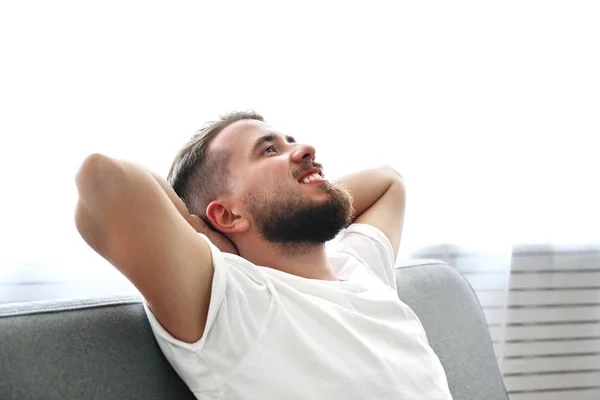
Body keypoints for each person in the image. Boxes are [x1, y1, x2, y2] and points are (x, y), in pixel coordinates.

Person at [74, 111, 452, 399]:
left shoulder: (361, 271)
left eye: (291, 142)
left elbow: (389, 182)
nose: (305, 150)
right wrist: (206, 236)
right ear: (227, 214)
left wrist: (307, 190)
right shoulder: (234, 300)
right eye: (269, 150)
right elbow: (102, 178)